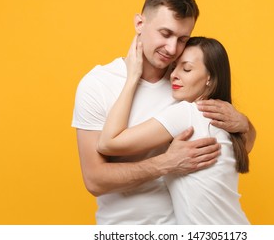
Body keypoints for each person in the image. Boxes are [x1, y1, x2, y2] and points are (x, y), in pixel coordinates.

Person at [72, 0, 256, 224]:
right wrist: (166, 163)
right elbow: (95, 180)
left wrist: (244, 124)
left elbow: (233, 148)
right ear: (139, 24)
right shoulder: (97, 85)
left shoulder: (185, 83)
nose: (172, 49)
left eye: (182, 39)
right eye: (165, 34)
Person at [97, 36, 251, 224]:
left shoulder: (188, 113)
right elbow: (249, 143)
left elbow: (108, 143)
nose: (174, 75)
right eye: (174, 67)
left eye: (186, 69)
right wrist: (245, 123)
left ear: (210, 78)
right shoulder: (224, 121)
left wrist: (132, 78)